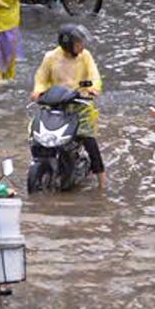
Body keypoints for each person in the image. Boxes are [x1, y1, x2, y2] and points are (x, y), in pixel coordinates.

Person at [32, 24, 105, 188]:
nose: (82, 46)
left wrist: (92, 89)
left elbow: (94, 77)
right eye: (78, 43)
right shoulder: (50, 57)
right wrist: (38, 91)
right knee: (37, 137)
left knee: (89, 140)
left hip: (80, 104)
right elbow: (41, 79)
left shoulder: (85, 56)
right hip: (55, 105)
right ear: (67, 44)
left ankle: (102, 181)